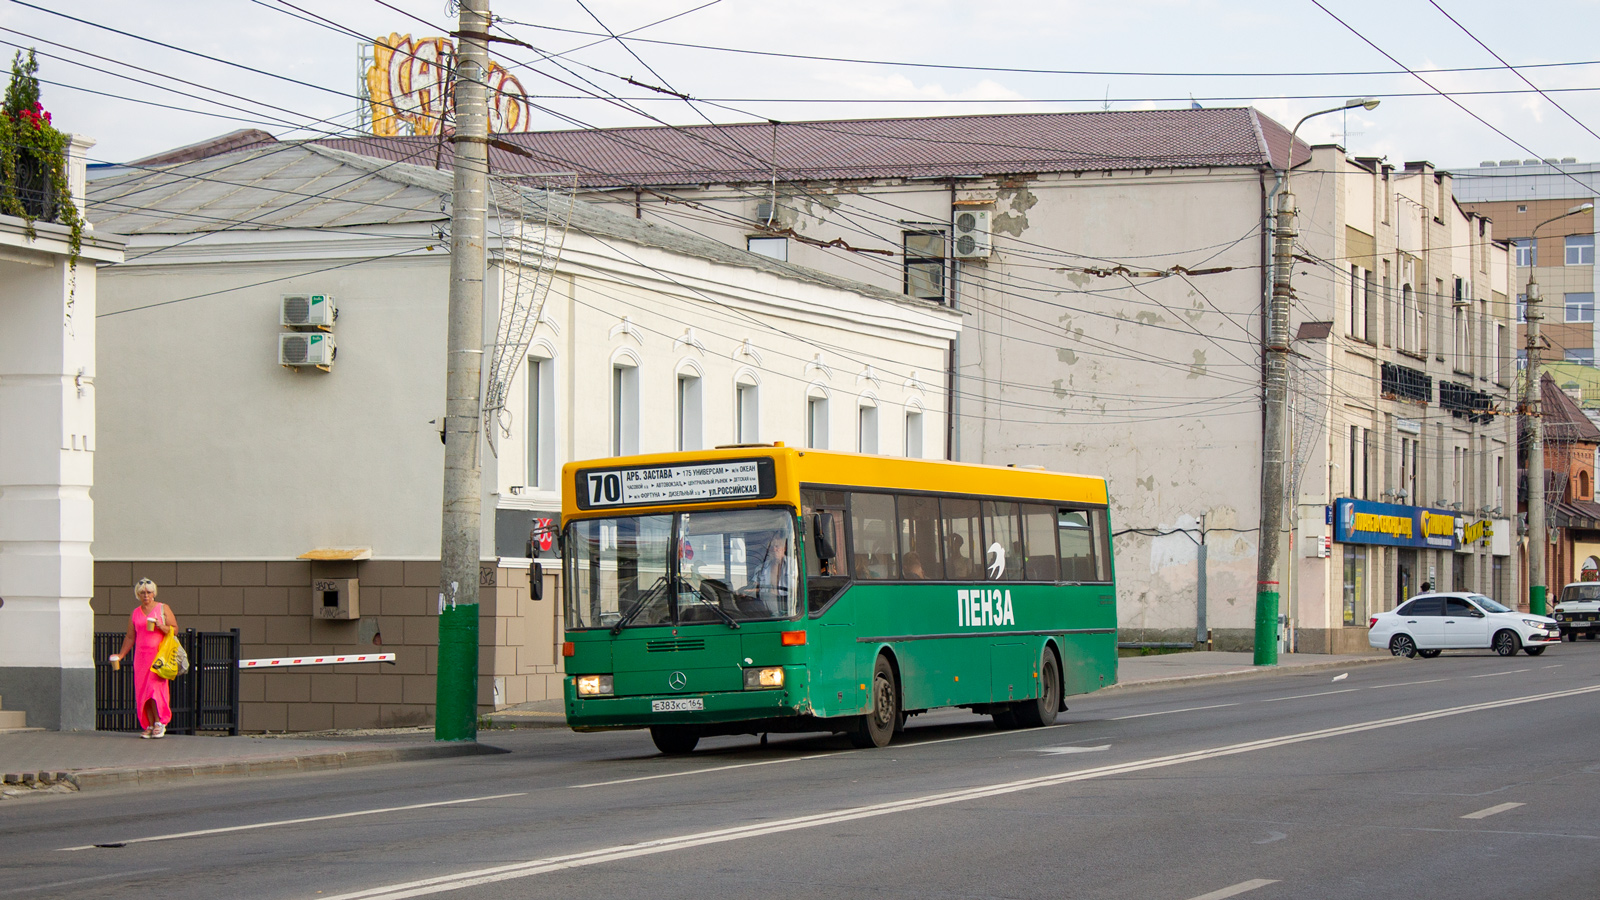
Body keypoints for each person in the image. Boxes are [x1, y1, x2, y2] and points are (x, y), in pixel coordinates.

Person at [109, 579, 177, 739]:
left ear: (154, 593)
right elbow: (130, 637)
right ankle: (149, 724)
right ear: (138, 595)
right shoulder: (135, 613)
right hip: (141, 658)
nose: (146, 595)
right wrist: (121, 654)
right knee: (143, 692)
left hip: (158, 657)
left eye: (149, 592)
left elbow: (175, 629)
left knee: (156, 690)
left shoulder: (162, 608)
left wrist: (162, 626)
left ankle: (160, 722)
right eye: (142, 593)